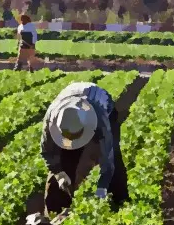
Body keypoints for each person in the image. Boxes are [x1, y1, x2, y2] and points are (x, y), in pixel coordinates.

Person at [40, 80, 128, 216]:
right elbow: (47, 153)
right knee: (64, 164)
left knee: (114, 160)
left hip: (101, 106)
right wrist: (60, 174)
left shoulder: (100, 120)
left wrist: (102, 188)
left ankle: (119, 204)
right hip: (71, 97)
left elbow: (108, 159)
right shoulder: (51, 120)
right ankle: (55, 213)